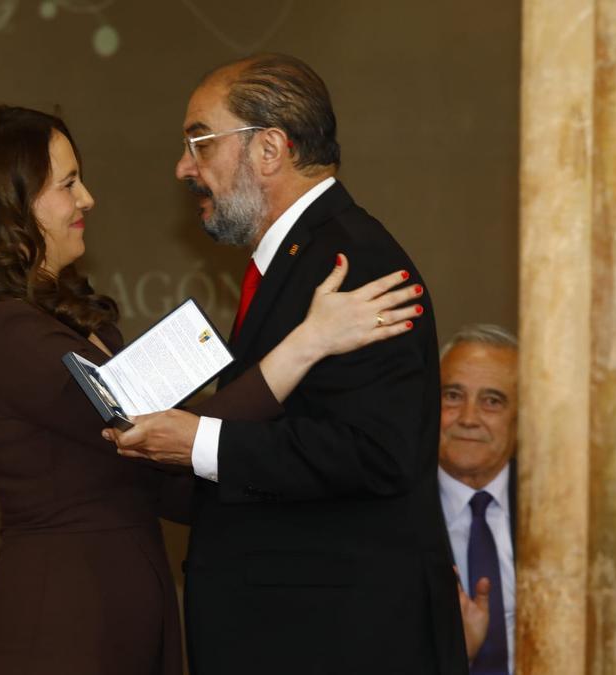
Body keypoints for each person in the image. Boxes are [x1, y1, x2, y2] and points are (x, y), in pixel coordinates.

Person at [0, 105, 425, 675]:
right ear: (9, 207)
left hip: (121, 612)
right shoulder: (1, 329)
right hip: (62, 623)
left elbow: (166, 481)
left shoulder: (74, 326)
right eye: (68, 184)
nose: (87, 200)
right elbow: (158, 439)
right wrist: (310, 342)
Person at [105, 55, 469, 675]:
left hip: (337, 640)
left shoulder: (355, 263)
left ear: (269, 148)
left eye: (199, 141)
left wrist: (201, 443)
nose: (183, 167)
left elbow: (374, 450)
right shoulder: (306, 257)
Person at [437, 324, 519, 675]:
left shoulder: (564, 511)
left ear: (523, 418)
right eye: (452, 396)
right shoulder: (383, 513)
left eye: (492, 401)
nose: (468, 419)